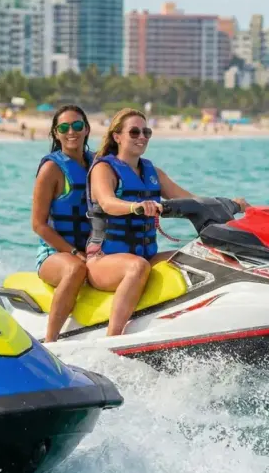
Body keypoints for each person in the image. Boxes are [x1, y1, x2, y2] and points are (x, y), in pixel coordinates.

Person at [86, 108, 247, 336]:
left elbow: (191, 199)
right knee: (137, 267)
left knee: (198, 256)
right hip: (104, 260)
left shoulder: (153, 172)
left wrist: (231, 204)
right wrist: (135, 206)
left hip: (146, 255)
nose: (141, 137)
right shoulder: (104, 169)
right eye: (134, 132)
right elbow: (108, 202)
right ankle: (112, 337)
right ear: (117, 136)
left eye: (146, 132)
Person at [31, 105, 94, 342]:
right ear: (55, 133)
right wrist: (74, 252)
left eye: (77, 126)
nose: (72, 132)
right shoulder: (51, 169)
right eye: (64, 127)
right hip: (54, 254)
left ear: (86, 129)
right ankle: (51, 342)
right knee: (75, 268)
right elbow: (38, 225)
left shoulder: (98, 163)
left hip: (92, 249)